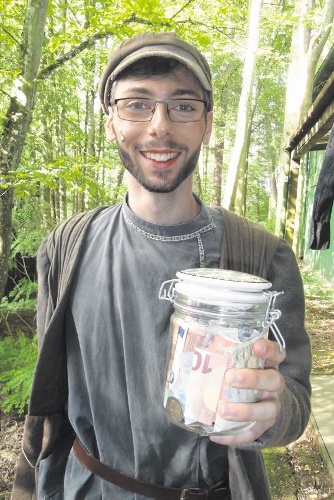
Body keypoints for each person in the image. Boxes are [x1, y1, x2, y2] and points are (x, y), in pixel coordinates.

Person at [12, 31, 311, 500]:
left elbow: (294, 398)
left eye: (183, 106)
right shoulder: (66, 248)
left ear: (207, 123)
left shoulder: (260, 256)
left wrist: (272, 414)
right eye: (137, 104)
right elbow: (50, 401)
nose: (159, 127)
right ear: (111, 121)